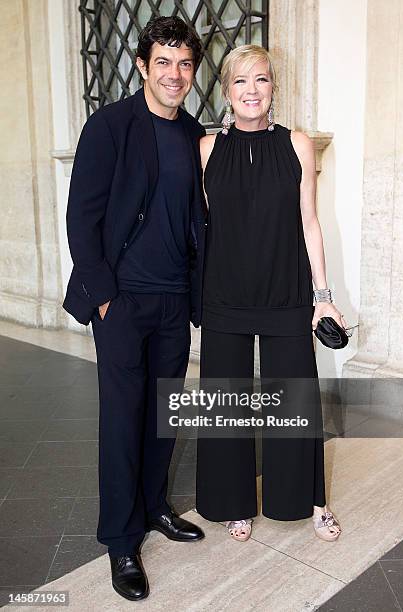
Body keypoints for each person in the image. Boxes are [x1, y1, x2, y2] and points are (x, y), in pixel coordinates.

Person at [63, 16, 207, 602]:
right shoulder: (111, 126)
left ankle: (155, 509)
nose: (175, 75)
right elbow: (83, 216)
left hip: (174, 300)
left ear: (193, 73)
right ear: (144, 66)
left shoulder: (193, 131)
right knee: (122, 421)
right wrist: (103, 297)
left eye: (185, 64)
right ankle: (122, 540)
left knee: (164, 415)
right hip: (121, 302)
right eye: (164, 63)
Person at [196, 44, 342, 543]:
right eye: (240, 81)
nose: (251, 91)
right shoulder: (207, 150)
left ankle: (312, 500)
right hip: (225, 295)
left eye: (260, 79)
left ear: (273, 87)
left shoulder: (297, 144)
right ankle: (234, 502)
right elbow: (203, 226)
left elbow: (309, 221)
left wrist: (323, 294)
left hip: (286, 292)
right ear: (225, 91)